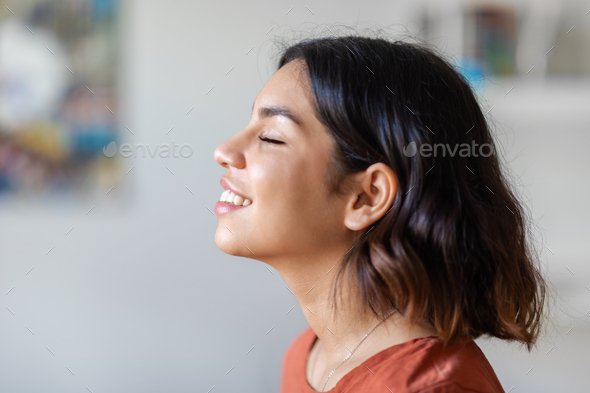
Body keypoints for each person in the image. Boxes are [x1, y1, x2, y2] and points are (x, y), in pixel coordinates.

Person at [213, 35, 547, 393]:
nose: (224, 150)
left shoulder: (432, 387)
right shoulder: (307, 357)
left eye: (272, 138)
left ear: (367, 196)